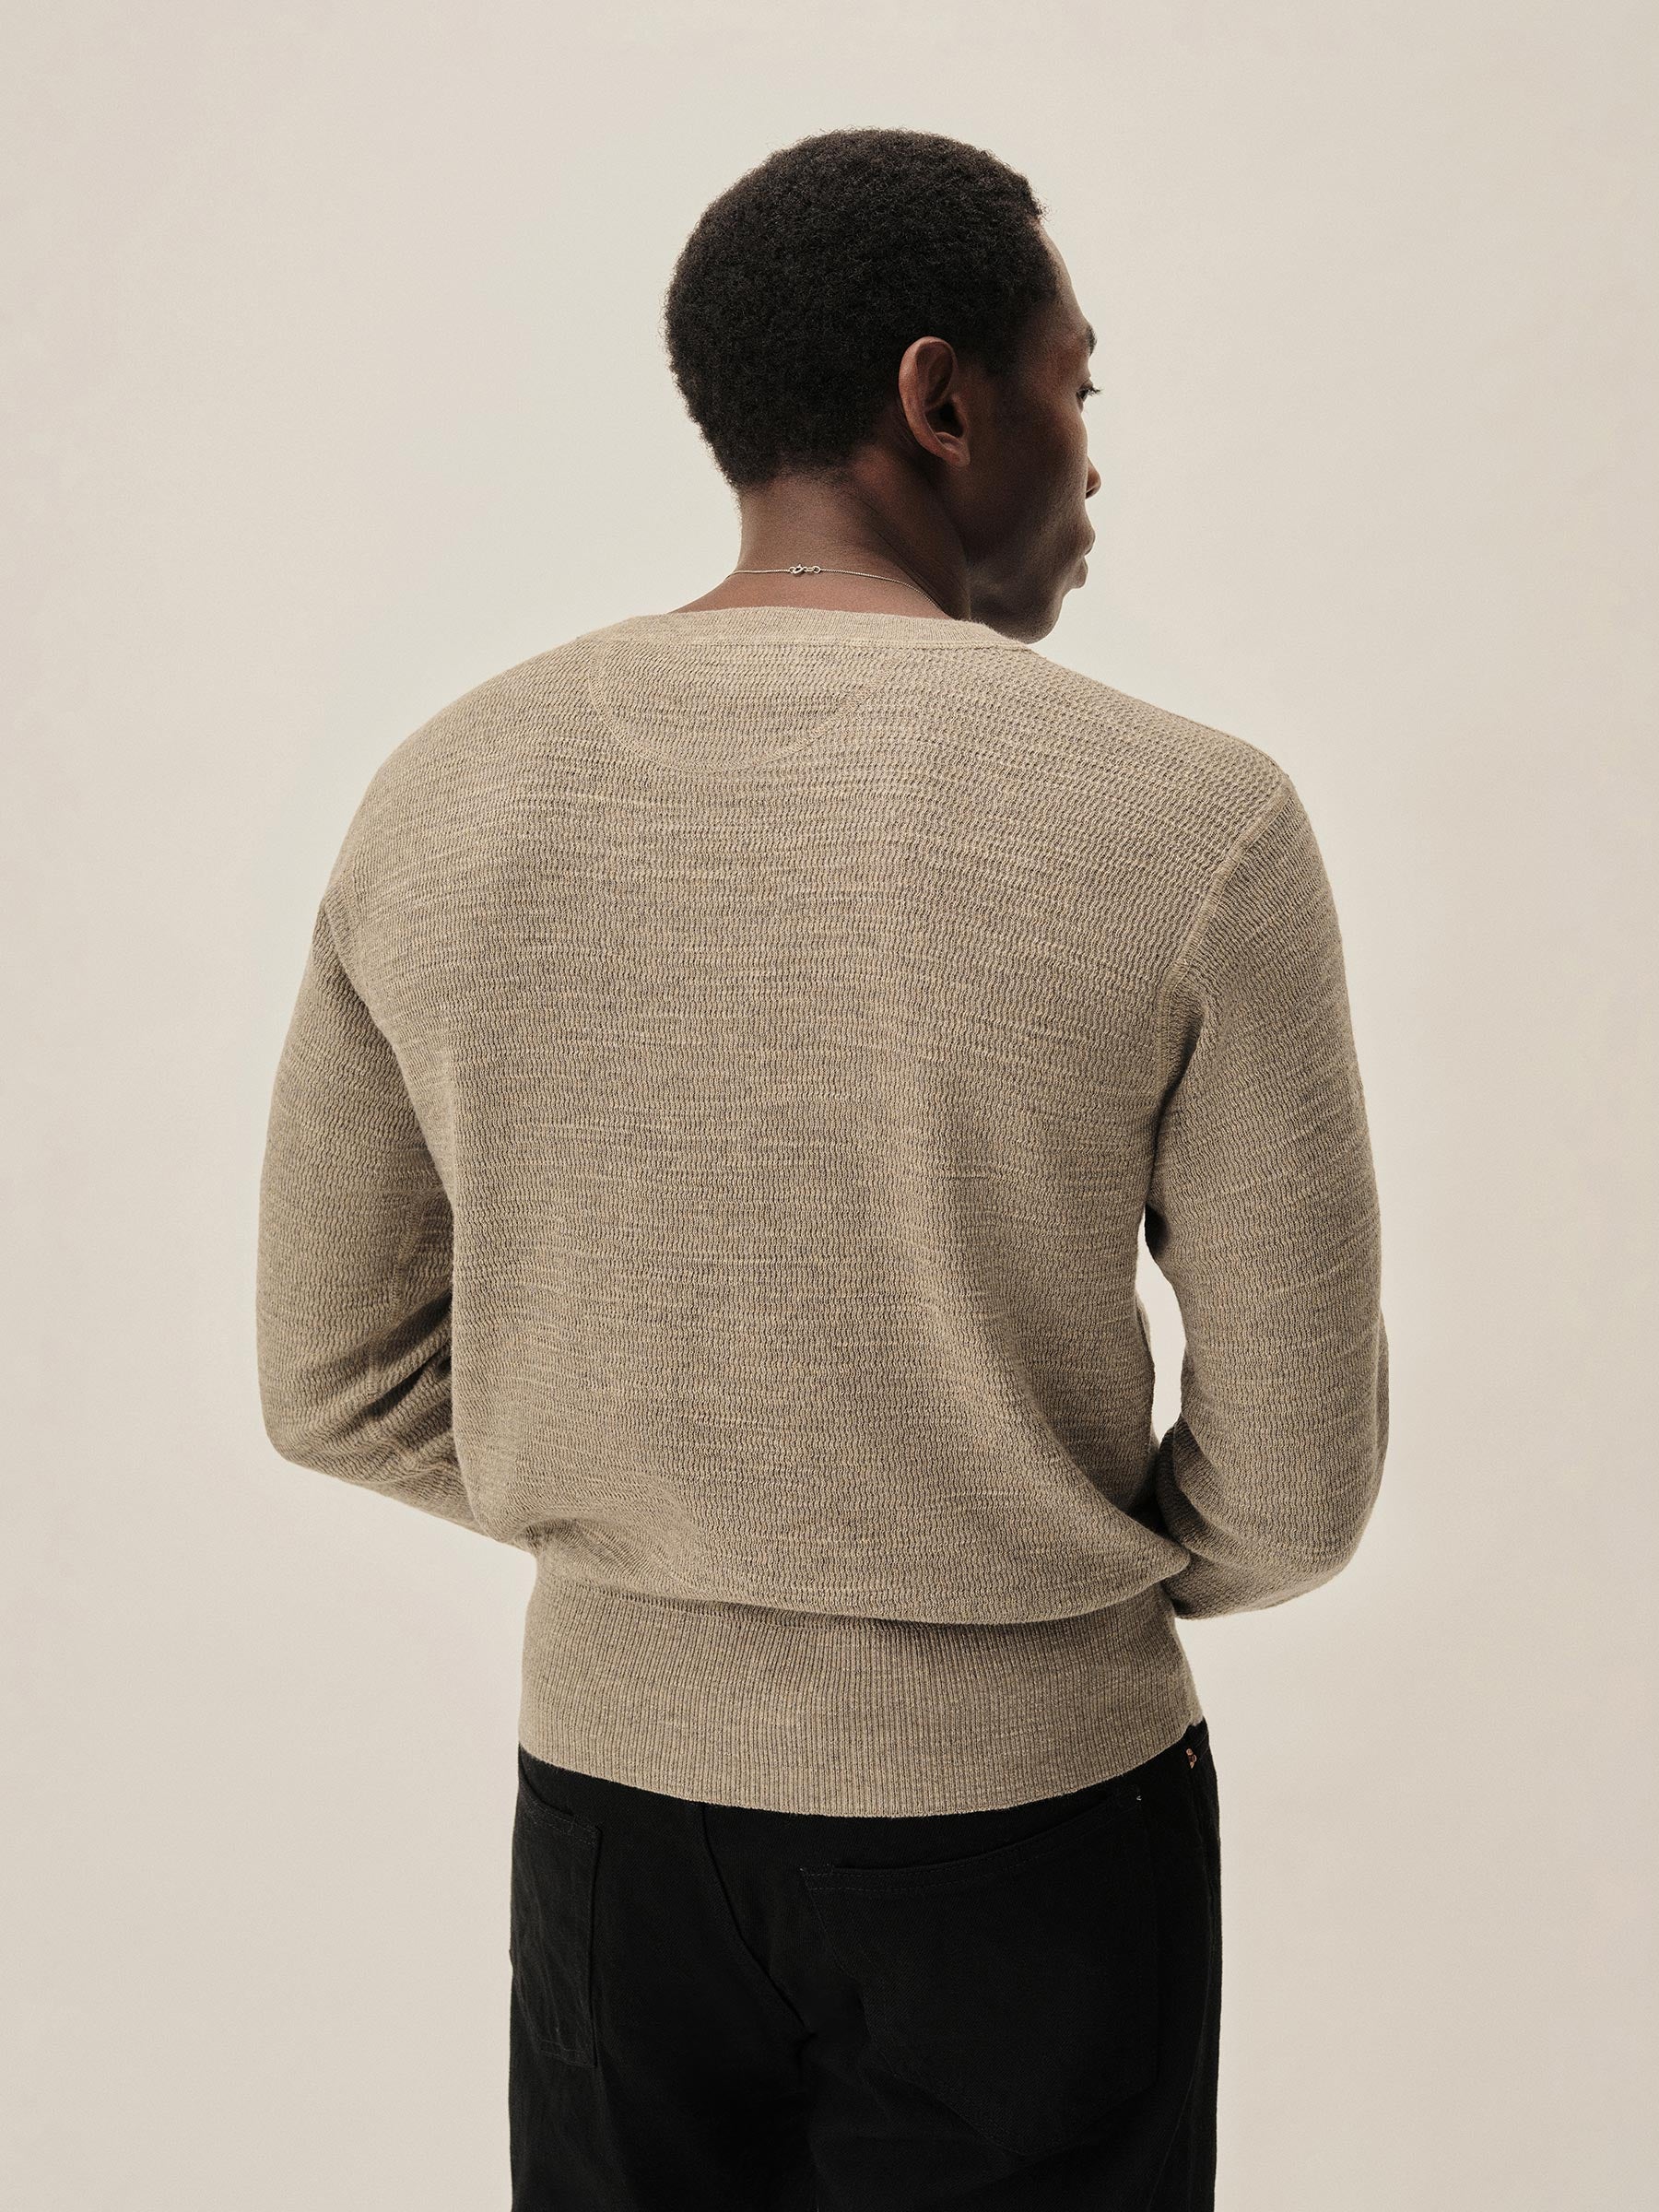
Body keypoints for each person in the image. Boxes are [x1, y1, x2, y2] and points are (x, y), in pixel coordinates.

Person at [255, 125, 1388, 2211]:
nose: (1094, 459)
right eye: (1076, 388)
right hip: (1039, 1834)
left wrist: (664, 1526)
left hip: (615, 1817)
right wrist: (1007, 1569)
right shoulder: (1193, 822)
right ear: (940, 399)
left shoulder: (448, 791)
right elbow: (1297, 1489)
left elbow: (330, 1379)